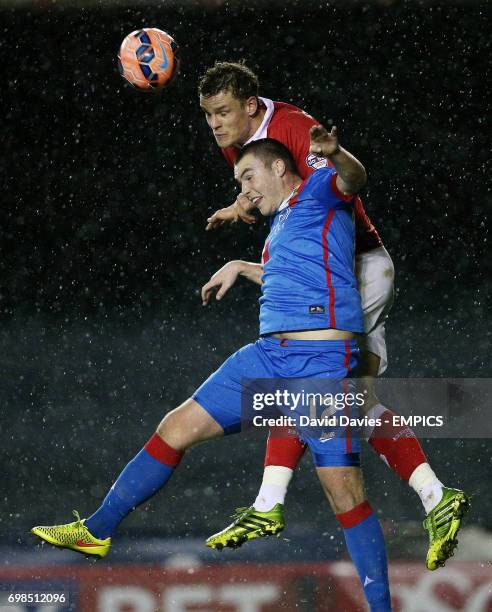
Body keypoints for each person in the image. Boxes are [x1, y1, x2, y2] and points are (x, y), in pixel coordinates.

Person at [32, 134, 392, 611]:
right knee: (174, 427)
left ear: (280, 170)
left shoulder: (320, 188)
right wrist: (240, 265)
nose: (243, 190)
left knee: (344, 494)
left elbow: (355, 178)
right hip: (267, 357)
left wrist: (336, 153)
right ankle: (96, 532)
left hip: (319, 367)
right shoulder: (281, 226)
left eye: (248, 177)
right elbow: (292, 275)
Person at [198, 61, 469, 571]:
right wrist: (242, 205)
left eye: (223, 112)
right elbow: (288, 211)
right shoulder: (237, 139)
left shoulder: (297, 129)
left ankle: (267, 505)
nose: (215, 123)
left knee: (303, 377)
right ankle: (437, 497)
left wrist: (337, 155)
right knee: (351, 404)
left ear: (251, 107)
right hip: (334, 276)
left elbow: (340, 191)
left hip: (357, 268)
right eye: (208, 113)